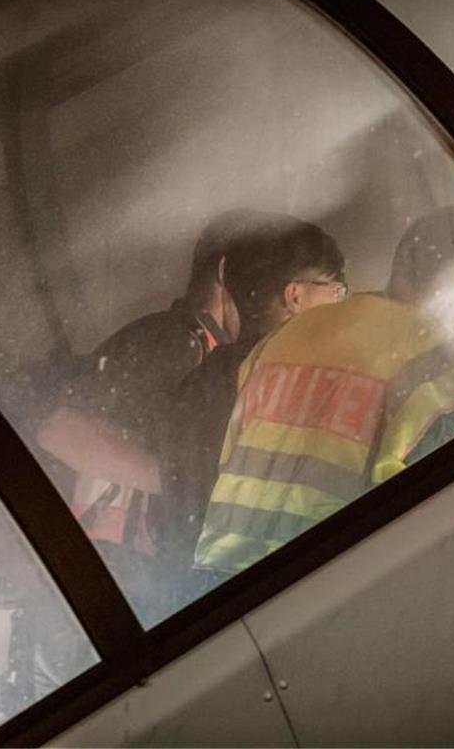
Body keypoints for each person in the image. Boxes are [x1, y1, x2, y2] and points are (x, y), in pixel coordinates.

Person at [35, 210, 344, 621]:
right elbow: (59, 430)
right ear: (226, 273)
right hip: (108, 580)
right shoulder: (179, 342)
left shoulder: (205, 354)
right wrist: (185, 482)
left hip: (116, 579)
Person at [194, 206, 454, 576]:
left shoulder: (283, 339)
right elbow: (444, 517)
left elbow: (228, 461)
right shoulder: (445, 363)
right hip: (324, 576)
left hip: (219, 577)